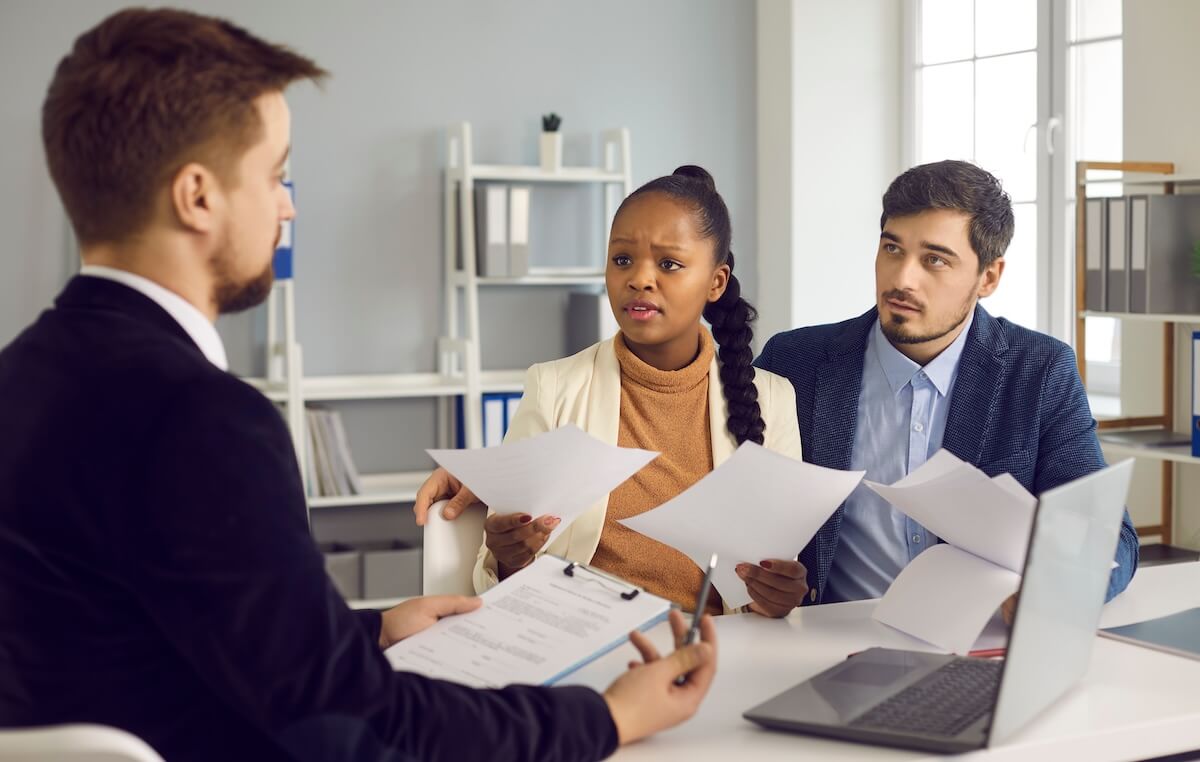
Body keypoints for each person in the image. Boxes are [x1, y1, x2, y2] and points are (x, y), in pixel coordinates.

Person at [0, 9, 716, 761]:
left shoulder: (22, 380)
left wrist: (364, 633)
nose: (288, 204)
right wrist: (605, 720)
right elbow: (362, 726)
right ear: (198, 197)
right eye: (276, 175)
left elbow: (145, 626)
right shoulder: (204, 420)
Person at [414, 167, 808, 617]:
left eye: (668, 264)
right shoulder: (553, 388)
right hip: (579, 645)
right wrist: (509, 556)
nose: (639, 278)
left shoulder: (773, 399)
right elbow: (501, 577)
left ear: (716, 282)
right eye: (622, 260)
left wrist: (777, 595)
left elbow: (771, 582)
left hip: (712, 651)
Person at [754, 159, 1139, 608]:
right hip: (827, 644)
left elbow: (1111, 540)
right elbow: (744, 516)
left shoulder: (1040, 370)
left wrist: (1049, 594)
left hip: (975, 645)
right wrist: (768, 582)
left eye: (934, 259)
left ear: (988, 277)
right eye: (892, 249)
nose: (901, 279)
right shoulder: (796, 362)